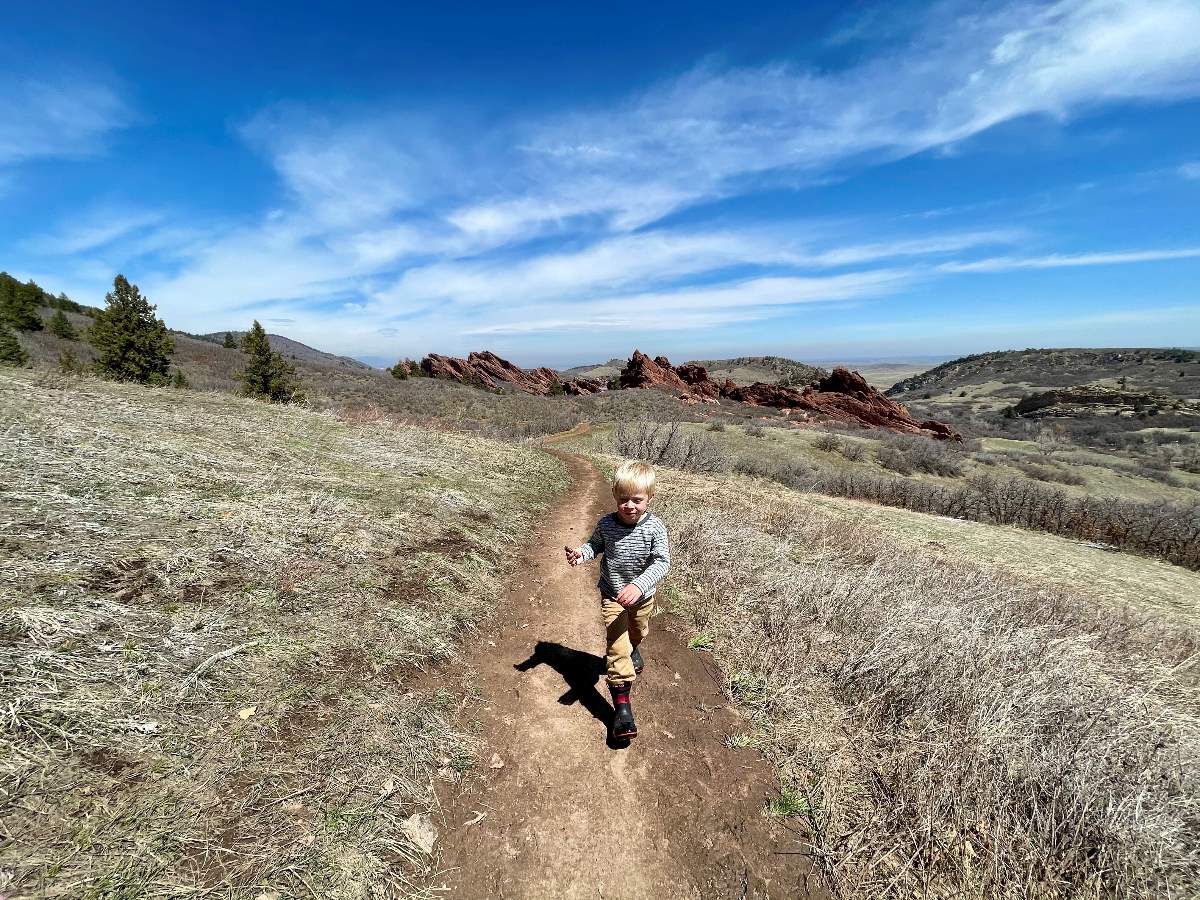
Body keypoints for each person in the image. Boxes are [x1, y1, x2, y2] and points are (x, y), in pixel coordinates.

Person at [564, 460, 670, 741]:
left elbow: (662, 563)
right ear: (614, 495)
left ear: (650, 498)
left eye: (637, 500)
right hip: (612, 596)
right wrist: (582, 554)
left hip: (641, 597)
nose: (630, 506)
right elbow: (595, 545)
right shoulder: (606, 524)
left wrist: (639, 585)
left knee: (638, 631)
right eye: (623, 499)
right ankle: (622, 709)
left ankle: (634, 647)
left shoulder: (655, 528)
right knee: (617, 646)